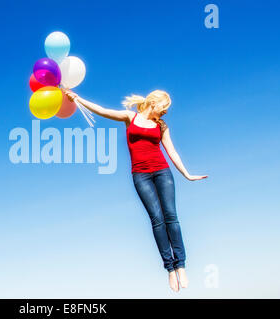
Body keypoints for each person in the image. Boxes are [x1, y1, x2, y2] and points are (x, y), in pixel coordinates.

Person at [63, 89, 208, 292]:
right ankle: (169, 268)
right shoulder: (130, 117)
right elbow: (102, 110)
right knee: (156, 220)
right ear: (154, 103)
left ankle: (181, 265)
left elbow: (171, 151)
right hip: (141, 175)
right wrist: (78, 99)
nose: (165, 113)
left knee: (171, 217)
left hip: (162, 173)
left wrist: (186, 174)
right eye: (164, 108)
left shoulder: (161, 126)